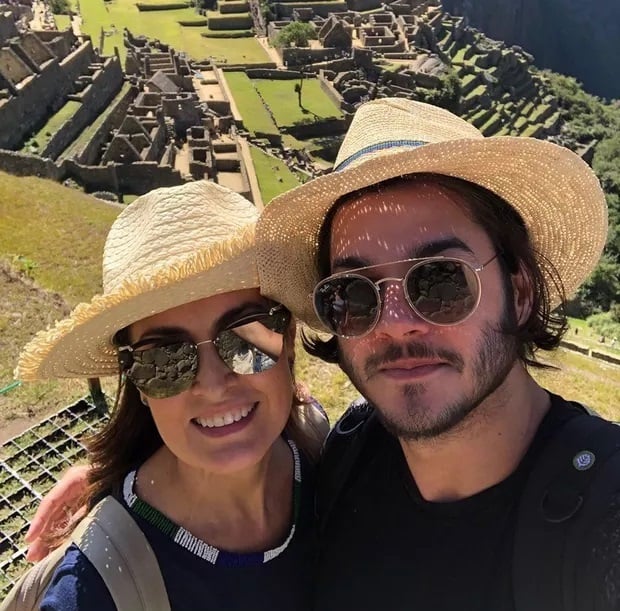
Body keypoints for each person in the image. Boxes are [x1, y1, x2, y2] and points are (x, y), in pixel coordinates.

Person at [255, 98, 619, 610]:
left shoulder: (605, 517)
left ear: (520, 292)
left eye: (440, 280)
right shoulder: (347, 456)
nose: (396, 322)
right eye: (354, 295)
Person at [7, 181, 326, 610]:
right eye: (164, 361)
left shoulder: (322, 445)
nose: (213, 386)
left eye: (247, 339)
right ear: (136, 382)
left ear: (286, 341)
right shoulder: (95, 593)